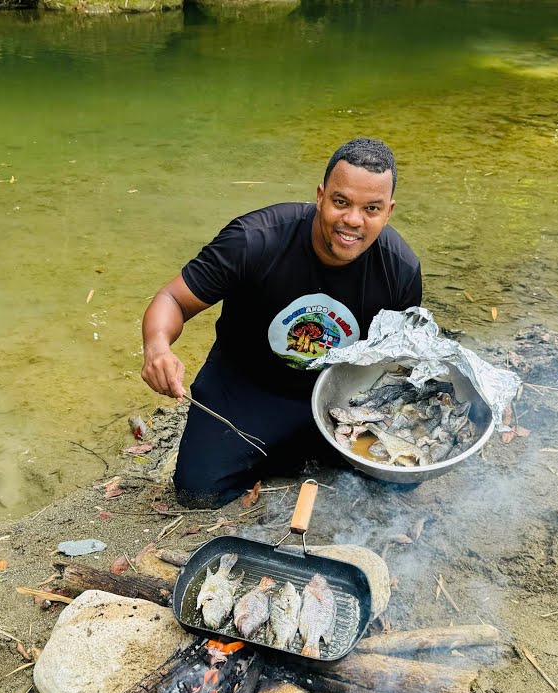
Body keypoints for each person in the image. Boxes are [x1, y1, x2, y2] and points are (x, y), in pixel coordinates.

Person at [140, 138, 422, 508]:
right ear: (320, 196)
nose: (353, 220)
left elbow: (394, 362)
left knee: (400, 481)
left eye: (371, 208)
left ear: (388, 211)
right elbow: (173, 299)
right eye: (341, 202)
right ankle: (282, 451)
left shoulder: (400, 269)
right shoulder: (254, 240)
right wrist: (157, 347)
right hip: (246, 387)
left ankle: (295, 451)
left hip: (336, 397)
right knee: (197, 492)